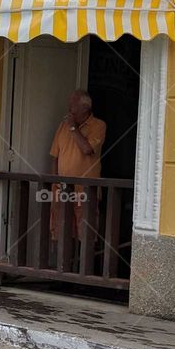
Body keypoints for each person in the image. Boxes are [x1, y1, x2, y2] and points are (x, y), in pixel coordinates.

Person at [48, 90, 106, 240]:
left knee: (85, 236)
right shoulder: (63, 126)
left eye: (72, 106)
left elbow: (87, 149)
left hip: (86, 192)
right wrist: (55, 184)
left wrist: (73, 128)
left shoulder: (98, 125)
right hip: (62, 191)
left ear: (85, 108)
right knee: (61, 235)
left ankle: (82, 257)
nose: (69, 109)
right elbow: (54, 156)